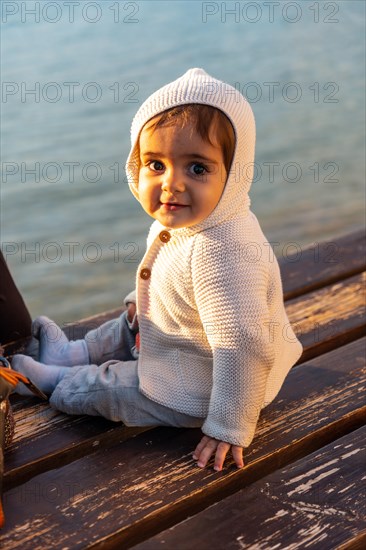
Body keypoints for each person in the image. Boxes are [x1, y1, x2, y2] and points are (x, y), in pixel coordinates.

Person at [12, 68, 303, 471]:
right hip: (182, 346)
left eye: (197, 168)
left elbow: (244, 345)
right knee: (129, 322)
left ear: (234, 174)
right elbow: (166, 275)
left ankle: (56, 383)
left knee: (114, 389)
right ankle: (71, 354)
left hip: (204, 388)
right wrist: (140, 305)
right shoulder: (183, 221)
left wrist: (227, 425)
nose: (172, 184)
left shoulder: (225, 253)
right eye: (156, 165)